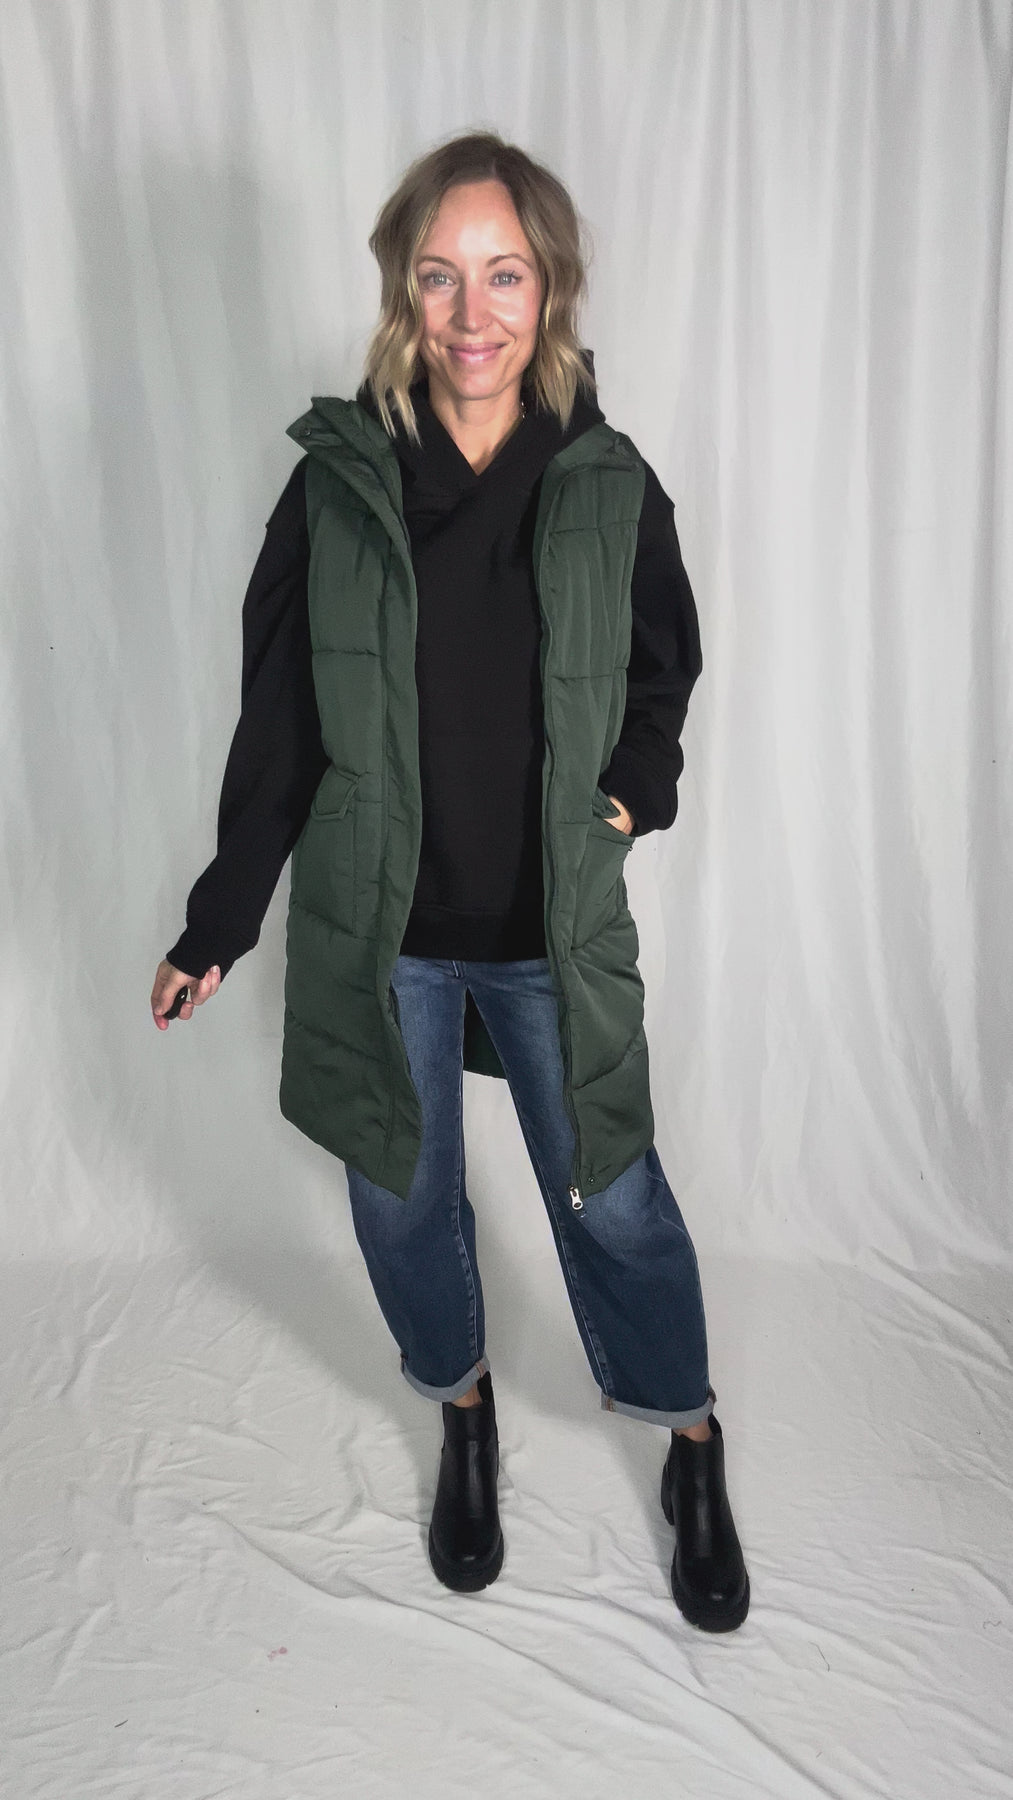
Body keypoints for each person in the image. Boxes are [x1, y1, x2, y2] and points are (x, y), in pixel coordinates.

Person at [150, 131, 749, 1632]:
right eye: (439, 276)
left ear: (549, 291)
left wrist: (632, 791)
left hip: (552, 925)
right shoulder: (337, 487)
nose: (471, 313)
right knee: (401, 1200)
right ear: (400, 291)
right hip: (385, 935)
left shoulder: (609, 483)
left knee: (615, 1200)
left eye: (503, 275)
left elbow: (662, 670)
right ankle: (462, 1412)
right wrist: (221, 919)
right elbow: (281, 719)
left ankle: (689, 1438)